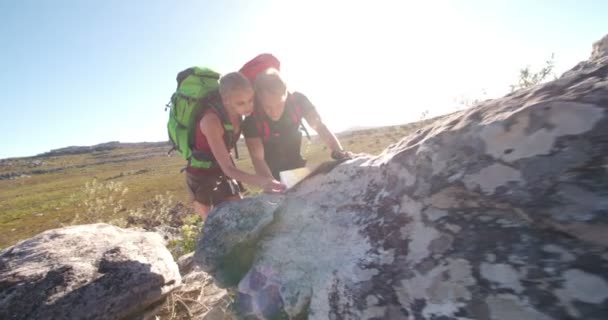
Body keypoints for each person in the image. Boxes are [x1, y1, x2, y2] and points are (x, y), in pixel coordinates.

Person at [185, 72, 286, 219]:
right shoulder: (211, 121)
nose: (248, 107)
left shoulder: (239, 115)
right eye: (241, 103)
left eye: (251, 100)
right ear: (226, 101)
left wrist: (268, 181)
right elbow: (228, 169)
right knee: (214, 224)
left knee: (240, 216)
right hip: (201, 175)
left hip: (223, 168)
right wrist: (262, 182)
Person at [241, 57, 351, 181]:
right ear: (259, 99)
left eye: (278, 105)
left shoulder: (298, 101)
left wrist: (339, 151)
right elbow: (258, 159)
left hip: (297, 166)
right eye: (267, 107)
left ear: (286, 94)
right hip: (271, 173)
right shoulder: (252, 120)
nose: (274, 112)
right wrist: (270, 183)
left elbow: (320, 127)